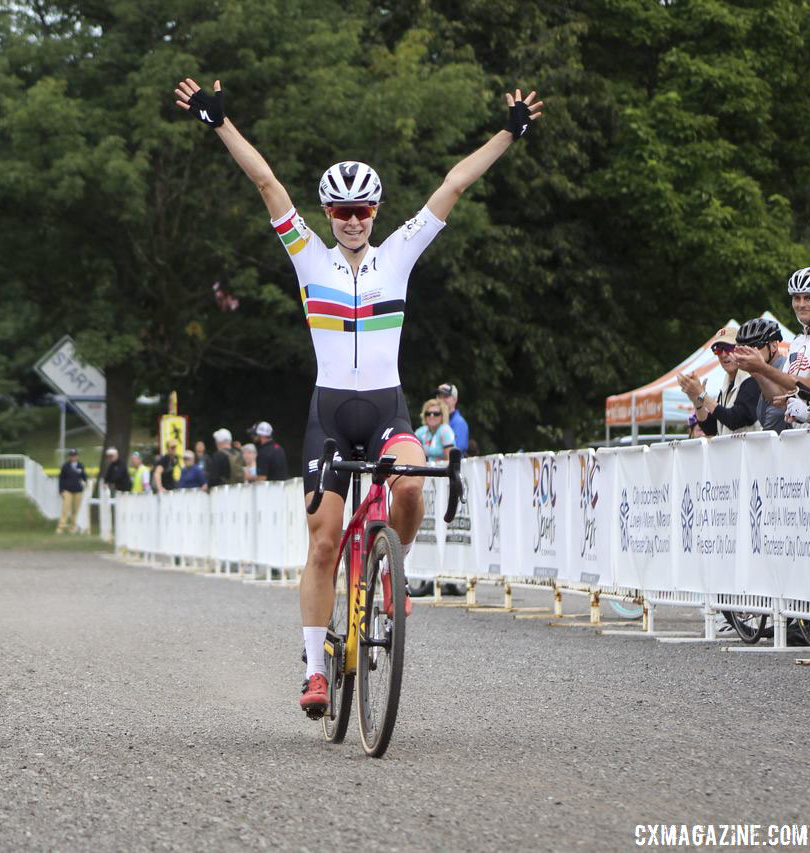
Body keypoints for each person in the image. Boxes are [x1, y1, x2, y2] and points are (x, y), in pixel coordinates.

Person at [174, 75, 544, 716]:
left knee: (409, 487)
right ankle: (314, 669)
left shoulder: (398, 254)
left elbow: (454, 184)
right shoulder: (308, 257)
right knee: (322, 542)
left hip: (385, 408)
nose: (351, 221)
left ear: (375, 213)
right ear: (327, 216)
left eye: (362, 211)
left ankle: (384, 569)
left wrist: (509, 132)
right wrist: (220, 125)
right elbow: (267, 184)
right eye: (341, 212)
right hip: (328, 414)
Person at [735, 269, 810, 427]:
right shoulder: (797, 341)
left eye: (807, 298)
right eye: (796, 298)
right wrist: (756, 371)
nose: (801, 304)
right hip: (796, 434)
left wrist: (763, 368)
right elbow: (779, 395)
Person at [678, 326, 761, 436]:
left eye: (728, 347)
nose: (723, 354)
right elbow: (711, 428)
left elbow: (734, 420)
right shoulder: (727, 384)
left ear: (742, 349)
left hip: (751, 452)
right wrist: (697, 402)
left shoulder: (752, 378)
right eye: (718, 349)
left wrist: (702, 394)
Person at [57, 448, 87, 533]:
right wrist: (61, 490)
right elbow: (61, 479)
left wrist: (84, 475)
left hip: (78, 490)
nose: (73, 457)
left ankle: (72, 527)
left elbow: (84, 477)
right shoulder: (65, 466)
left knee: (75, 510)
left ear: (77, 456)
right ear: (69, 457)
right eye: (71, 456)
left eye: (74, 456)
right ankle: (61, 527)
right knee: (65, 509)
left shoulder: (80, 466)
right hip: (67, 490)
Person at [436, 384, 470, 456]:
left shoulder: (459, 423)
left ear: (455, 400)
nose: (441, 400)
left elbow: (456, 450)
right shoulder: (432, 420)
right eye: (439, 396)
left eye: (445, 396)